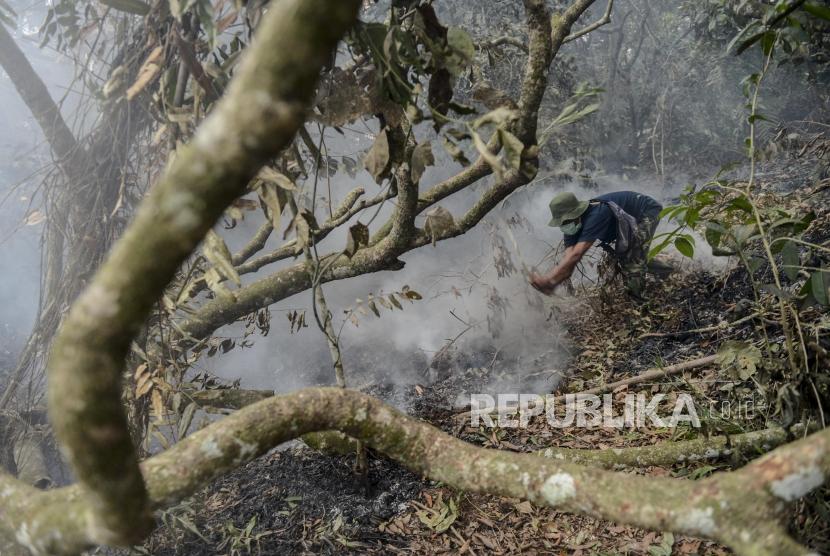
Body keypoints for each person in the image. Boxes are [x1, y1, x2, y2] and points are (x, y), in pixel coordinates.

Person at [530, 190, 663, 300]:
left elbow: (576, 255)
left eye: (565, 221)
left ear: (576, 214)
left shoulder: (597, 214)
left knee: (632, 259)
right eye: (561, 223)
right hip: (630, 221)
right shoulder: (570, 226)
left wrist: (548, 278)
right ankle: (667, 271)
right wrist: (553, 283)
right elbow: (569, 261)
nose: (563, 226)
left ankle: (640, 307)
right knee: (632, 256)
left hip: (647, 211)